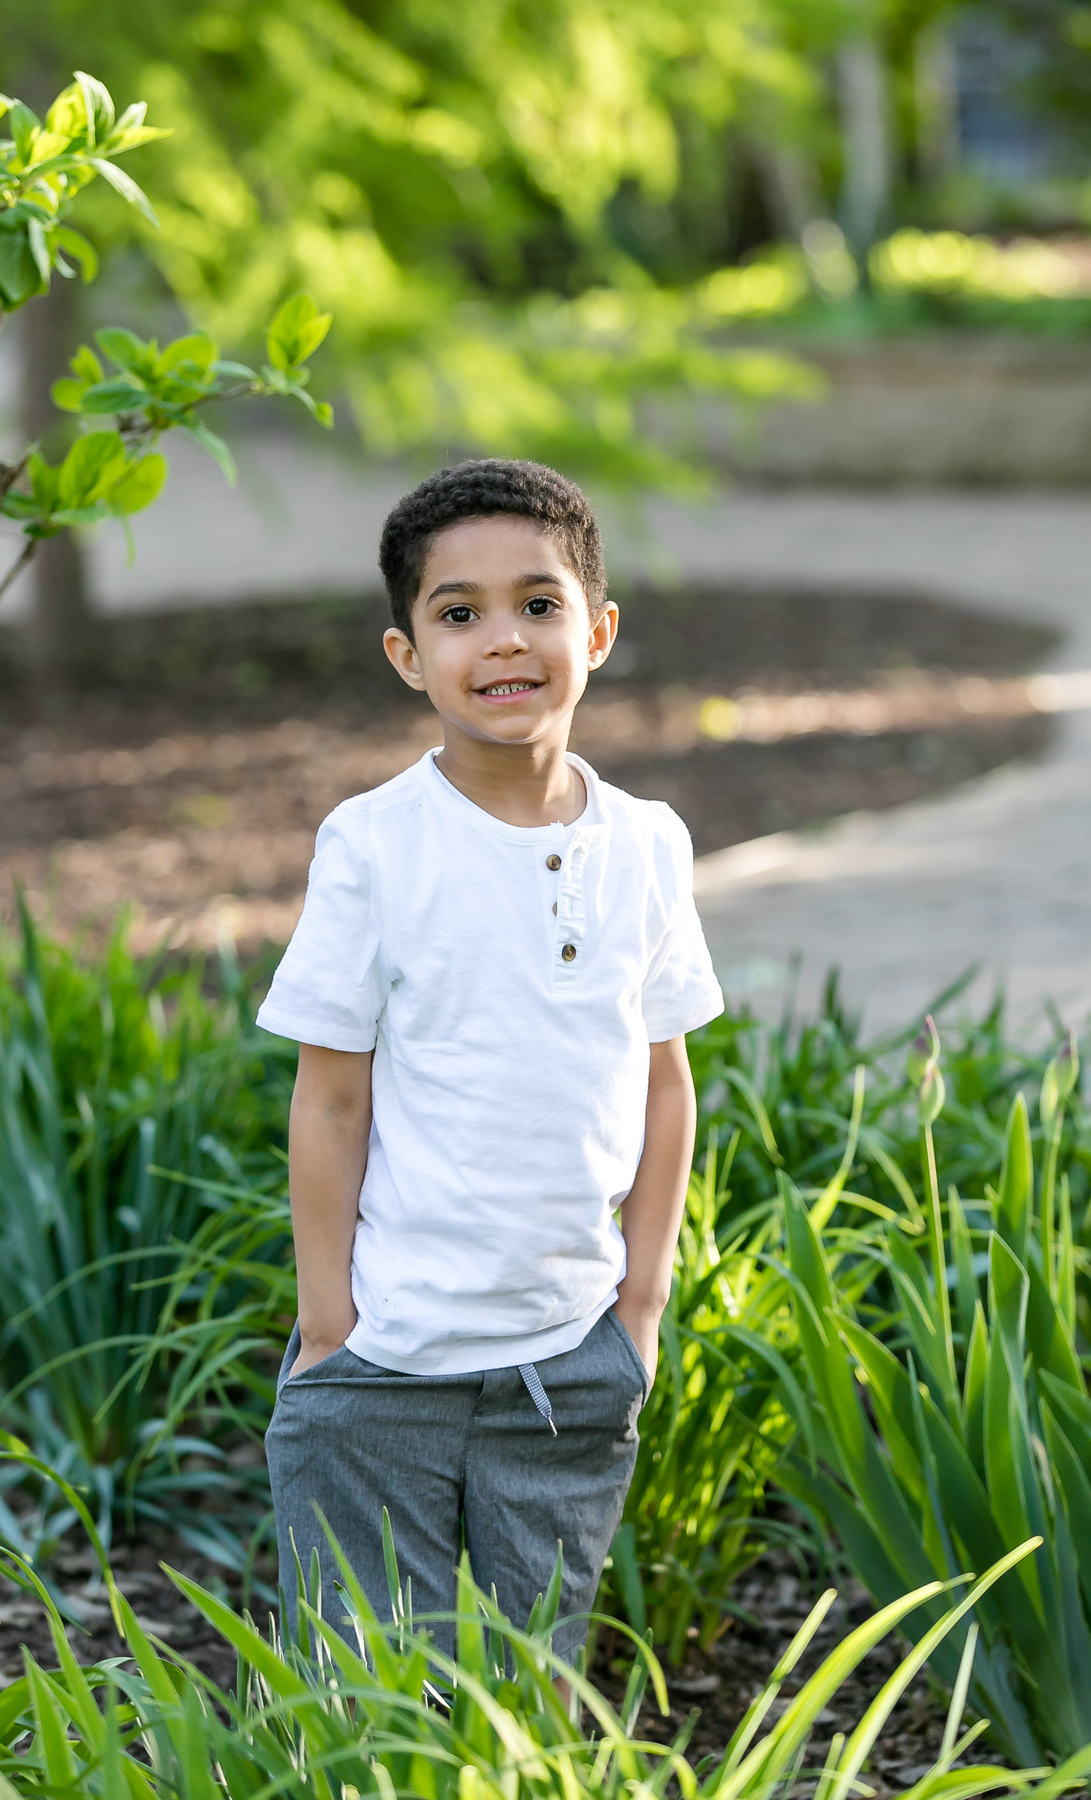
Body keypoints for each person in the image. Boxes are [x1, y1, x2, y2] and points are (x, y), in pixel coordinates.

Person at [258, 458, 723, 1664]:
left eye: (538, 603)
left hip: (571, 1362)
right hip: (386, 1359)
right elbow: (333, 1093)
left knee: (528, 1695)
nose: (503, 640)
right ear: (408, 655)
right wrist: (328, 1324)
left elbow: (664, 1080)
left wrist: (642, 1301)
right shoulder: (372, 846)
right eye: (458, 614)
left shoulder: (650, 846)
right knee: (366, 1702)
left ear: (600, 630)